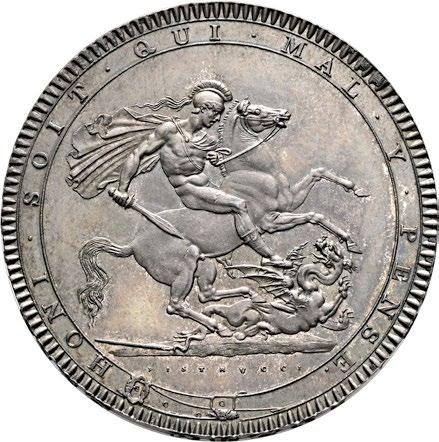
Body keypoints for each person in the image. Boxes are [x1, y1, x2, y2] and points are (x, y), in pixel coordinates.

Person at [112, 80, 287, 265]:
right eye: (216, 113)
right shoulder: (169, 131)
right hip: (189, 191)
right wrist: (122, 189)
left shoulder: (205, 138)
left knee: (253, 207)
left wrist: (215, 157)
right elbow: (137, 154)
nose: (217, 119)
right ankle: (268, 257)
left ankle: (229, 249)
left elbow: (211, 157)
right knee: (239, 205)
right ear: (204, 109)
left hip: (207, 186)